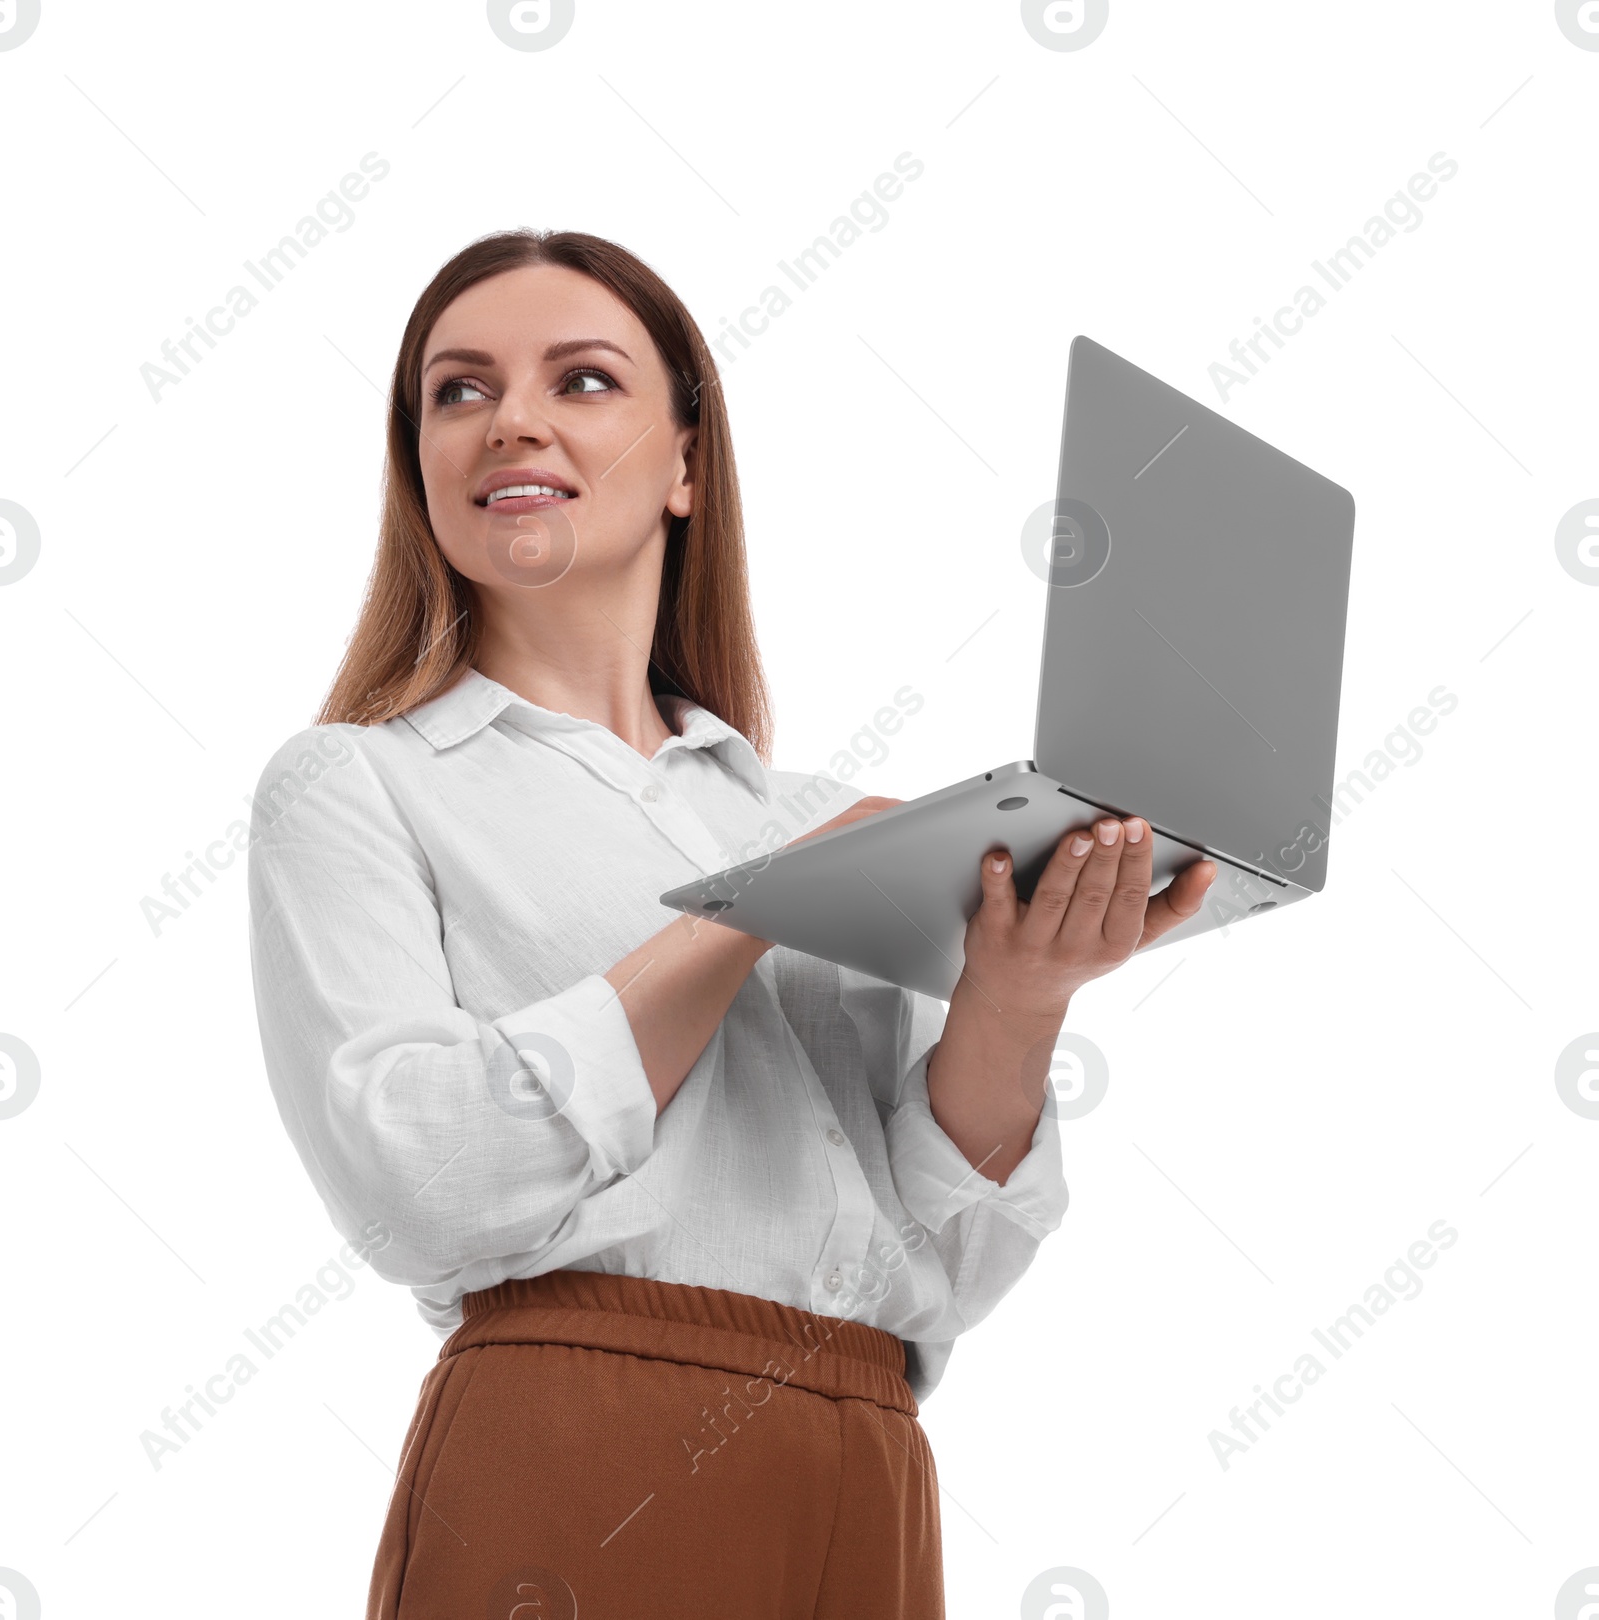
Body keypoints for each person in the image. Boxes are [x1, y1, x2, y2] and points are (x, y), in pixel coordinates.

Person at [245, 228, 1215, 1620]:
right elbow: (418, 1190)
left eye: (581, 380)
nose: (510, 415)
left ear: (688, 466)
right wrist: (757, 909)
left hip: (868, 1455)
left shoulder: (821, 816)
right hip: (579, 1448)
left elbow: (942, 1262)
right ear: (420, 471)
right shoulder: (359, 784)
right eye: (458, 391)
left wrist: (1018, 993)